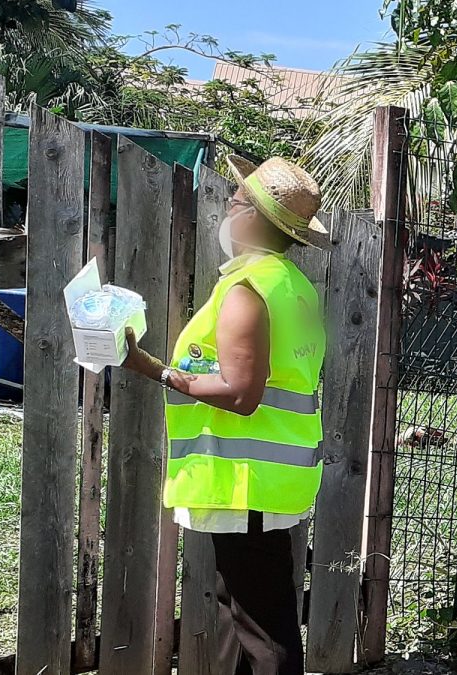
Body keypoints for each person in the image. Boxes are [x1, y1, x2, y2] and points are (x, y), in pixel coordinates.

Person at [121, 155, 329, 675]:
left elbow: (241, 393)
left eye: (234, 203)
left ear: (253, 217)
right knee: (238, 613)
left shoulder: (247, 290)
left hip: (244, 480)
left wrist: (157, 371)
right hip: (268, 479)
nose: (227, 212)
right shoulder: (292, 287)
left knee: (263, 630)